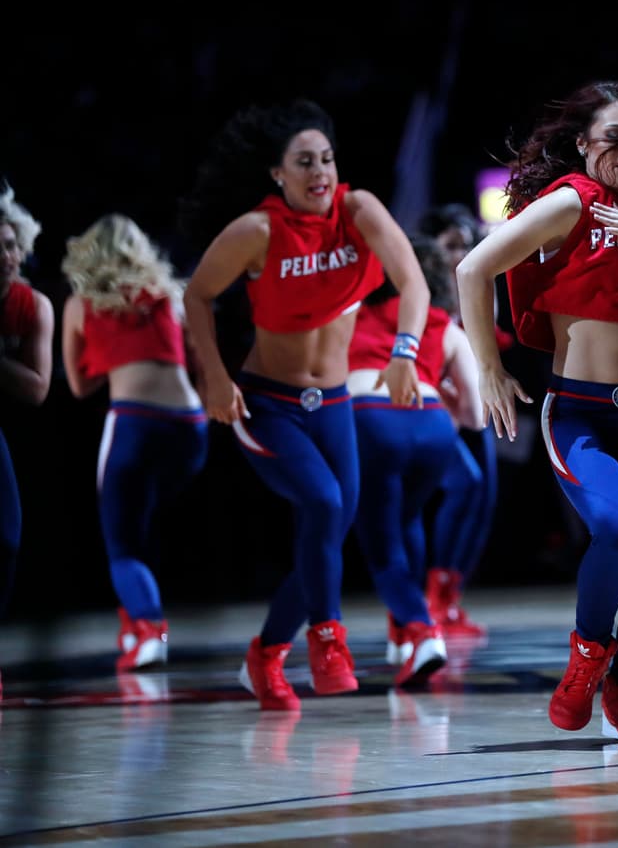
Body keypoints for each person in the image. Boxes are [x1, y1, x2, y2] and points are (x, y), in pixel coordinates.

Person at [455, 80, 618, 742]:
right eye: (615, 138)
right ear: (582, 144)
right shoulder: (571, 202)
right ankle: (586, 656)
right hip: (581, 413)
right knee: (617, 526)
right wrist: (489, 368)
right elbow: (471, 270)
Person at [180, 98, 429, 710]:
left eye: (327, 159)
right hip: (269, 404)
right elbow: (196, 296)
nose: (320, 171)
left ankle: (265, 655)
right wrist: (214, 377)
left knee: (327, 531)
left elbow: (414, 282)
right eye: (304, 162)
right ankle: (326, 637)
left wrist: (404, 353)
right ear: (278, 174)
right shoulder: (257, 231)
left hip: (335, 402)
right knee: (323, 503)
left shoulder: (359, 209)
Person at [61, 214, 209, 671]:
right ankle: (134, 623)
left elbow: (79, 386)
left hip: (136, 423)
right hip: (190, 427)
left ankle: (148, 630)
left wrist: (112, 354)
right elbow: (203, 363)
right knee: (142, 522)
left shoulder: (81, 304)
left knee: (121, 540)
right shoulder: (170, 295)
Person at [347, 234, 483, 687]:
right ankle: (403, 631)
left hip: (371, 418)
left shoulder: (350, 313)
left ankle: (424, 633)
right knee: (406, 522)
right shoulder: (445, 326)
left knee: (381, 547)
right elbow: (476, 417)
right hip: (432, 424)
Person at [418, 204, 496, 636]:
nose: (459, 255)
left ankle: (449, 601)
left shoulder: (478, 285)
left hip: (476, 404)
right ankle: (431, 602)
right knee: (464, 484)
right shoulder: (419, 292)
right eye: (450, 246)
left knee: (482, 495)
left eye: (465, 245)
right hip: (435, 407)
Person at [0, 185, 53, 696]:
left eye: (11, 245)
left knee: (7, 539)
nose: (6, 256)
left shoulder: (32, 305)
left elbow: (38, 389)